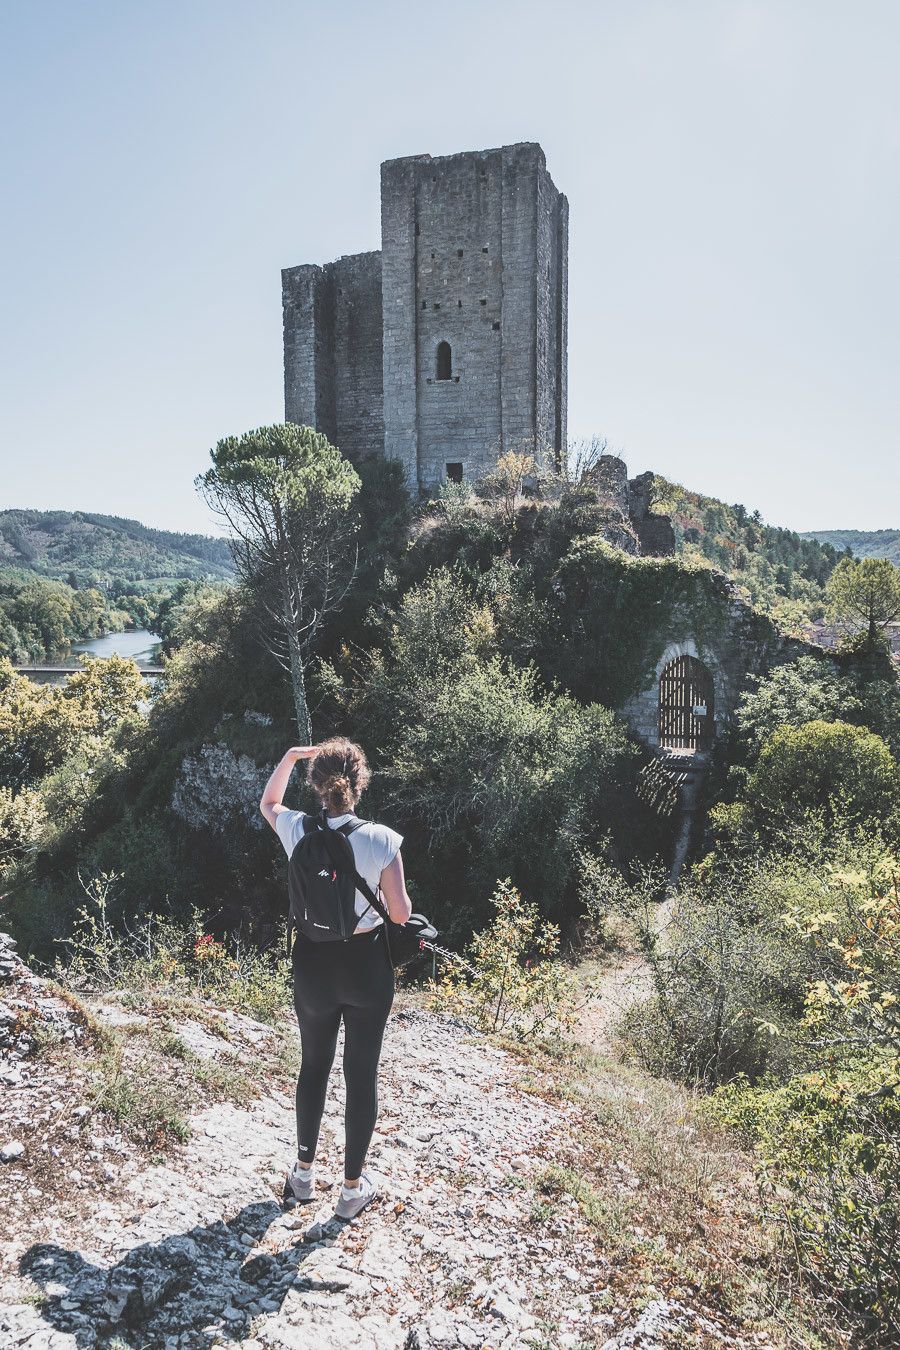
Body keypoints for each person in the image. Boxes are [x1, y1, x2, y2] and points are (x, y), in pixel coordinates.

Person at [259, 737, 412, 1220]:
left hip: (312, 964)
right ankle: (350, 1191)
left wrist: (288, 757)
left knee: (314, 1065)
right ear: (360, 782)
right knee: (360, 1072)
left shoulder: (297, 830)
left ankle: (302, 1175)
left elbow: (268, 802)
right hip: (366, 966)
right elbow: (401, 913)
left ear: (316, 785)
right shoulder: (382, 839)